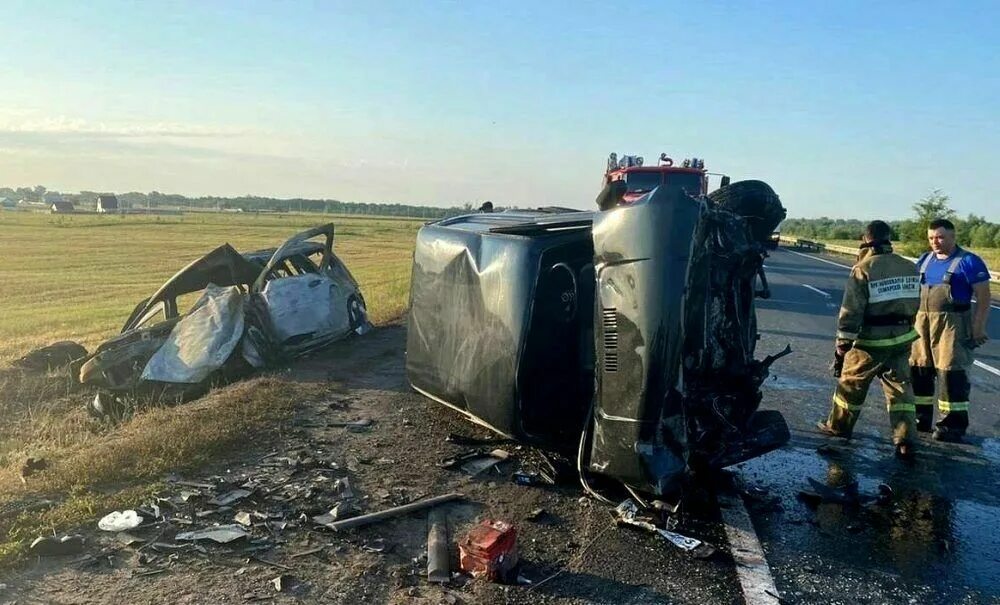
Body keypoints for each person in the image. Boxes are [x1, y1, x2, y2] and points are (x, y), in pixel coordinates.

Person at [817, 220, 921, 458]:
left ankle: (838, 428)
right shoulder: (909, 266)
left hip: (871, 341)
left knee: (851, 384)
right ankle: (905, 439)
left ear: (865, 239)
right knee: (900, 390)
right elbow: (915, 303)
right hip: (902, 337)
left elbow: (851, 310)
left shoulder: (864, 268)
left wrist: (843, 343)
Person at [910, 218, 992, 442]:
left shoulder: (968, 262)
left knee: (950, 373)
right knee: (919, 369)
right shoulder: (925, 260)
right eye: (931, 238)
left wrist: (978, 327)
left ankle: (951, 426)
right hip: (922, 323)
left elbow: (984, 298)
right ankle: (920, 418)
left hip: (953, 325)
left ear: (953, 237)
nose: (935, 242)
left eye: (940, 237)